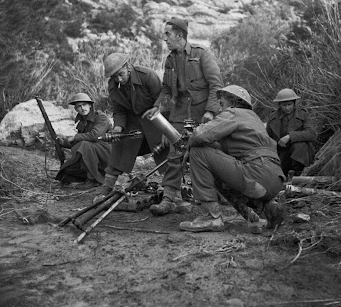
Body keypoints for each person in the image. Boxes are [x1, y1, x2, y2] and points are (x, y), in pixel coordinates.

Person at [143, 17, 224, 215]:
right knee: (174, 154)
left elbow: (216, 85)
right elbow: (166, 89)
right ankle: (170, 198)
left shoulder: (201, 54)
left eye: (168, 34)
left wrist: (211, 111)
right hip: (179, 114)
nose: (165, 39)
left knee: (209, 153)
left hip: (201, 114)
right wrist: (157, 107)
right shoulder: (170, 59)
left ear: (180, 35)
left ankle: (219, 194)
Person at [178, 85, 285, 233]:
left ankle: (211, 217)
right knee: (217, 171)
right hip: (275, 178)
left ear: (233, 102)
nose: (220, 110)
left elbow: (199, 135)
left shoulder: (233, 113)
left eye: (221, 104)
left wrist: (189, 149)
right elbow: (227, 154)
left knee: (198, 151)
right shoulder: (254, 119)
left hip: (256, 173)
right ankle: (263, 209)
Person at [95, 53, 169, 200]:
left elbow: (163, 100)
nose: (119, 79)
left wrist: (166, 129)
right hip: (132, 122)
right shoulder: (113, 85)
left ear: (128, 66)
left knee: (165, 152)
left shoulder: (147, 76)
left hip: (154, 118)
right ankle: (107, 188)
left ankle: (171, 191)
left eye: (121, 74)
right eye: (115, 76)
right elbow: (119, 111)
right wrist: (118, 129)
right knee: (120, 147)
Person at [55, 93, 112, 189]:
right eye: (79, 106)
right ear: (76, 109)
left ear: (90, 105)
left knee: (85, 145)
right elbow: (81, 140)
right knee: (67, 170)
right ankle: (91, 176)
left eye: (84, 104)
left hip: (106, 155)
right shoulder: (82, 121)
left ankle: (93, 180)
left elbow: (94, 136)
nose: (82, 108)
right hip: (93, 156)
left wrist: (74, 137)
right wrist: (64, 142)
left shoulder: (101, 117)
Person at [266, 88, 316, 178]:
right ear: (279, 105)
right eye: (284, 105)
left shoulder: (304, 115)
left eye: (289, 104)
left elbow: (311, 134)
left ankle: (300, 175)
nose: (287, 108)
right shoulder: (272, 117)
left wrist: (290, 136)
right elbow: (267, 138)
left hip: (301, 158)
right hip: (281, 155)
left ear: (294, 103)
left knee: (299, 145)